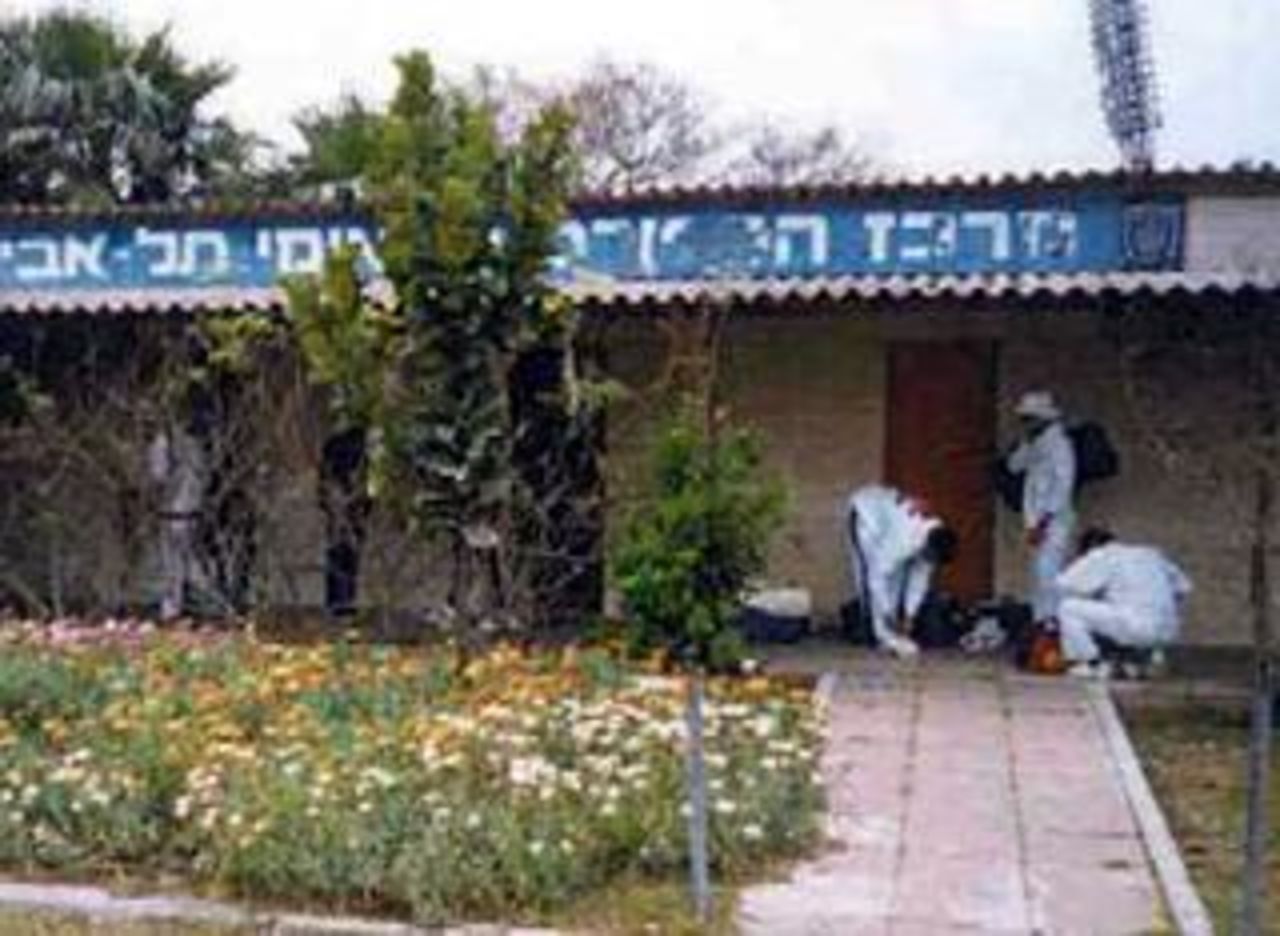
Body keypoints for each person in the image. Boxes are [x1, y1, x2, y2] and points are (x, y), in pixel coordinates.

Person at [1056, 527, 1192, 677]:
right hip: (1167, 632)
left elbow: (1064, 584)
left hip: (1135, 625)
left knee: (1068, 608)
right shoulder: (1151, 553)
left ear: (1090, 549)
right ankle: (1145, 658)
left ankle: (1093, 664)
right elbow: (1183, 588)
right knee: (1121, 611)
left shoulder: (1102, 554)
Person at [845, 484, 959, 658]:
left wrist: (909, 615)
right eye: (930, 558)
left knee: (896, 579)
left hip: (889, 519)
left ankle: (889, 633)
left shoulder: (936, 537)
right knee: (868, 576)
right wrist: (886, 612)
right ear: (928, 547)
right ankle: (875, 633)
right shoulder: (902, 540)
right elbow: (877, 576)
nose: (930, 563)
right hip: (865, 515)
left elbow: (919, 581)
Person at [1007, 391, 1077, 624]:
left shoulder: (1060, 446)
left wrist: (1043, 523)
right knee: (1038, 576)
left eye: (1029, 419)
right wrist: (1024, 443)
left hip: (1051, 522)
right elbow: (1014, 466)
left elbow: (1062, 486)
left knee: (1050, 576)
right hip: (1035, 520)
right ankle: (1041, 626)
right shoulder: (1037, 444)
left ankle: (1053, 626)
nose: (1025, 424)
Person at [147, 418, 207, 621]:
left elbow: (158, 475)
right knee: (189, 558)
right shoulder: (195, 444)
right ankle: (195, 601)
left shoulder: (165, 441)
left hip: (174, 511)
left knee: (174, 562)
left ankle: (175, 608)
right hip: (194, 509)